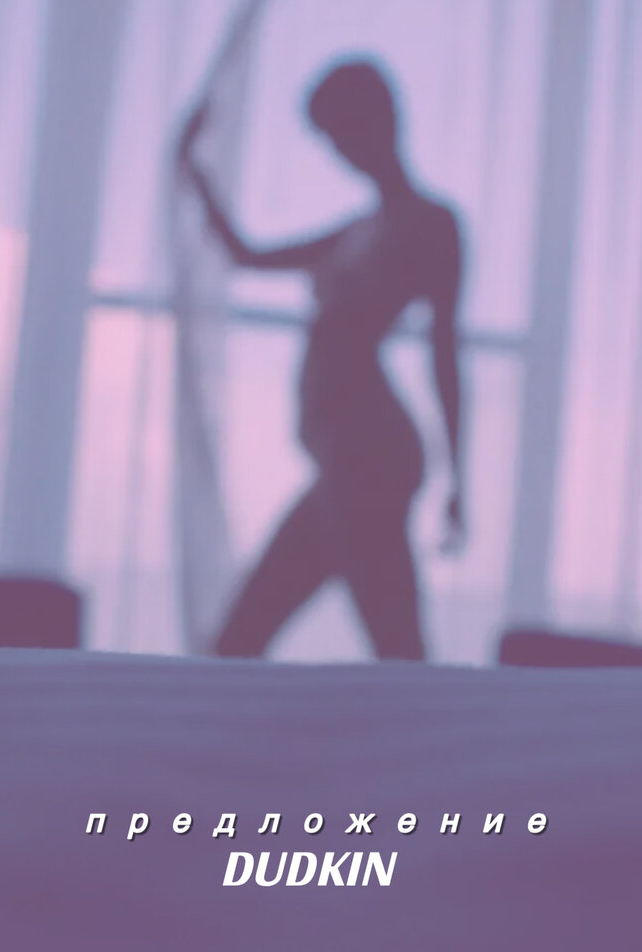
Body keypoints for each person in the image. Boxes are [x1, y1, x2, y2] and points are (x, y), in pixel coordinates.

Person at [177, 58, 466, 661]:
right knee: (248, 643)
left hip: (369, 459)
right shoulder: (358, 230)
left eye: (344, 131)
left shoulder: (431, 225)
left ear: (381, 121)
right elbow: (247, 256)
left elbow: (445, 355)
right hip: (345, 461)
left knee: (393, 652)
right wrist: (195, 169)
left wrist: (460, 481)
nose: (341, 151)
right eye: (333, 138)